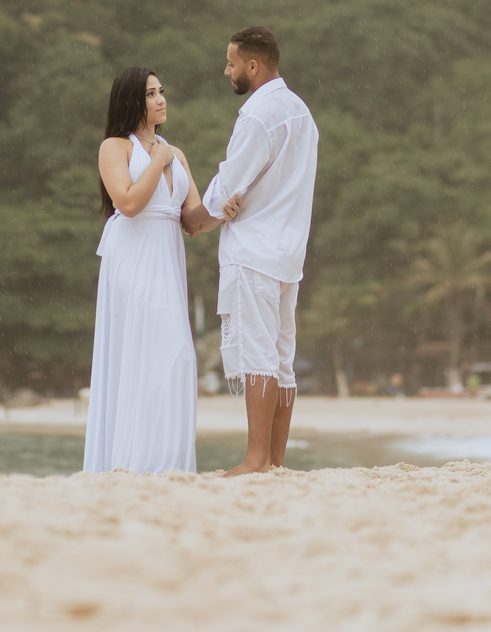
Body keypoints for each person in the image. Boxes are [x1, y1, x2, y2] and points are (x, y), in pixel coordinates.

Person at [83, 67, 239, 474]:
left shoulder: (176, 153)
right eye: (151, 93)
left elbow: (192, 221)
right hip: (131, 259)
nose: (161, 99)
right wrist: (158, 160)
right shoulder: (114, 148)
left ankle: (166, 463)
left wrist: (225, 210)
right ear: (133, 101)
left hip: (166, 262)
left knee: (177, 357)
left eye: (161, 91)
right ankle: (130, 464)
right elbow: (128, 203)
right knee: (146, 353)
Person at [182, 26, 319, 476]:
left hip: (254, 249)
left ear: (253, 65)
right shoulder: (302, 113)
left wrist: (193, 222)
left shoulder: (258, 115)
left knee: (257, 355)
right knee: (282, 360)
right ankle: (276, 461)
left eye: (231, 62)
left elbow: (228, 185)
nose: (227, 70)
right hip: (288, 253)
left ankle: (256, 459)